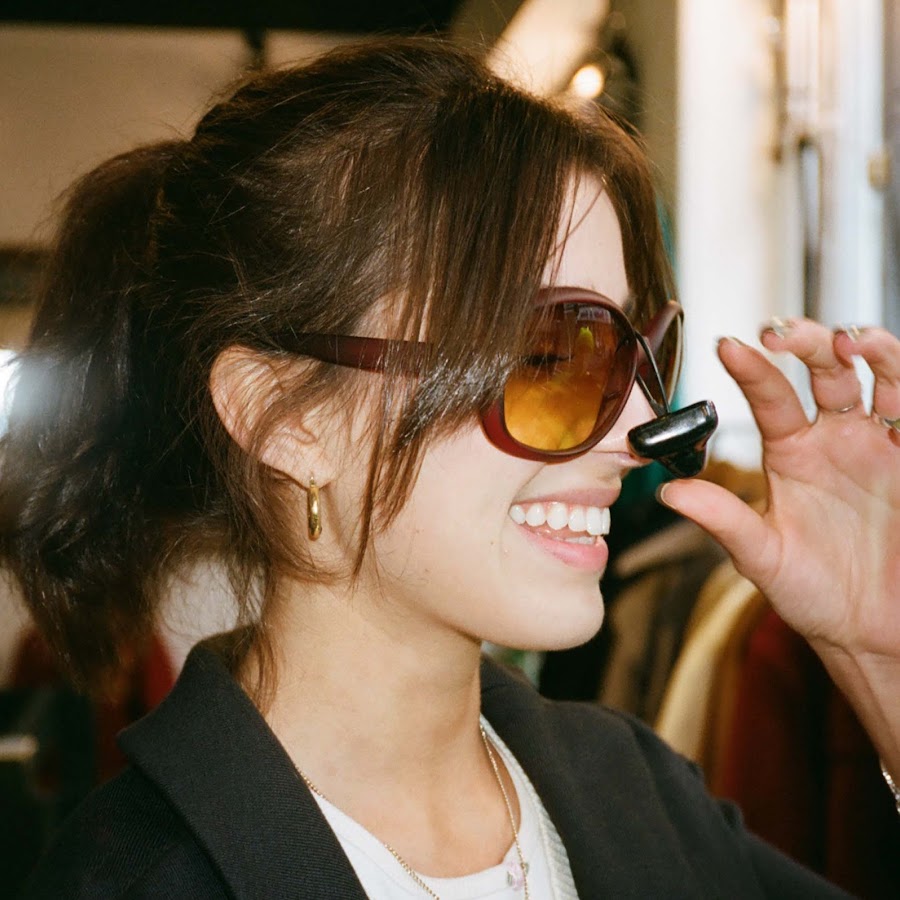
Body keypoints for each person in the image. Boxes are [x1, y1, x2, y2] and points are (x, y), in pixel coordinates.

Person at [2, 36, 897, 899]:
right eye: (550, 354)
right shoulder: (135, 881)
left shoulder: (637, 791)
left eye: (638, 352)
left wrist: (876, 650)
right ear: (288, 418)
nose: (638, 425)